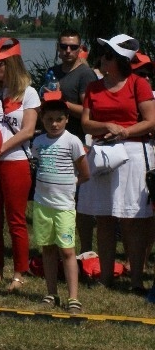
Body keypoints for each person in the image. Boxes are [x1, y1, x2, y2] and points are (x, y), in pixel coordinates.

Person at [77, 34, 155, 292]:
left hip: (132, 153)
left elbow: (151, 120)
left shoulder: (138, 84)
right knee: (104, 218)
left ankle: (136, 279)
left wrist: (125, 131)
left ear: (119, 60)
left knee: (131, 219)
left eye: (108, 54)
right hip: (102, 153)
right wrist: (106, 126)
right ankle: (105, 277)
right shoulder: (93, 87)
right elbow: (86, 123)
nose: (102, 58)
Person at [0, 37, 39, 291]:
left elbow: (28, 131)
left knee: (16, 220)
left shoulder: (28, 93)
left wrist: (0, 148)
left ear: (11, 64)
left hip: (15, 162)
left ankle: (18, 273)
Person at [30, 97, 89, 314]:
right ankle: (51, 293)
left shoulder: (72, 141)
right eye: (49, 120)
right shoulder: (38, 142)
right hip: (42, 204)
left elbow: (85, 173)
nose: (54, 124)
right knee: (47, 249)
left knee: (67, 251)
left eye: (59, 119)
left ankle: (73, 297)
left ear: (66, 120)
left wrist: (70, 185)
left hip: (64, 206)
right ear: (42, 120)